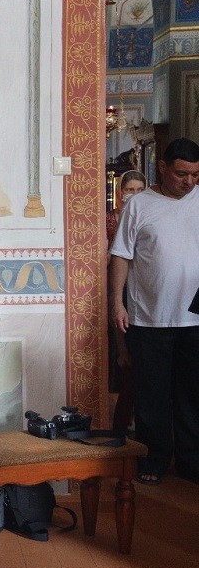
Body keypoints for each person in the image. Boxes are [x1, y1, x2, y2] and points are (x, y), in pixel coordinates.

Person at [109, 139, 199, 485]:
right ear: (162, 168)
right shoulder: (139, 205)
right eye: (181, 174)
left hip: (195, 320)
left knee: (192, 395)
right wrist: (117, 302)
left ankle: (191, 462)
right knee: (151, 395)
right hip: (149, 318)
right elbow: (121, 255)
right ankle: (153, 459)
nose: (188, 181)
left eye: (195, 175)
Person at [106, 169, 145, 431]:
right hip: (117, 286)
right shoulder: (110, 219)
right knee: (125, 359)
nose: (134, 195)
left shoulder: (146, 215)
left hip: (140, 287)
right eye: (130, 190)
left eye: (139, 190)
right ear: (121, 192)